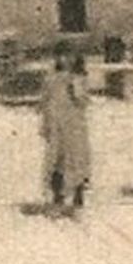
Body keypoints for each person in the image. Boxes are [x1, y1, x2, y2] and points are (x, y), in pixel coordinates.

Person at [40, 51, 93, 215]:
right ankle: (58, 198)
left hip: (75, 127)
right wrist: (46, 124)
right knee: (57, 161)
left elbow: (83, 101)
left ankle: (78, 196)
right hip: (57, 127)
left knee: (77, 161)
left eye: (69, 56)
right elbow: (45, 102)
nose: (65, 59)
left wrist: (76, 88)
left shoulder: (79, 79)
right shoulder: (51, 79)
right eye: (61, 56)